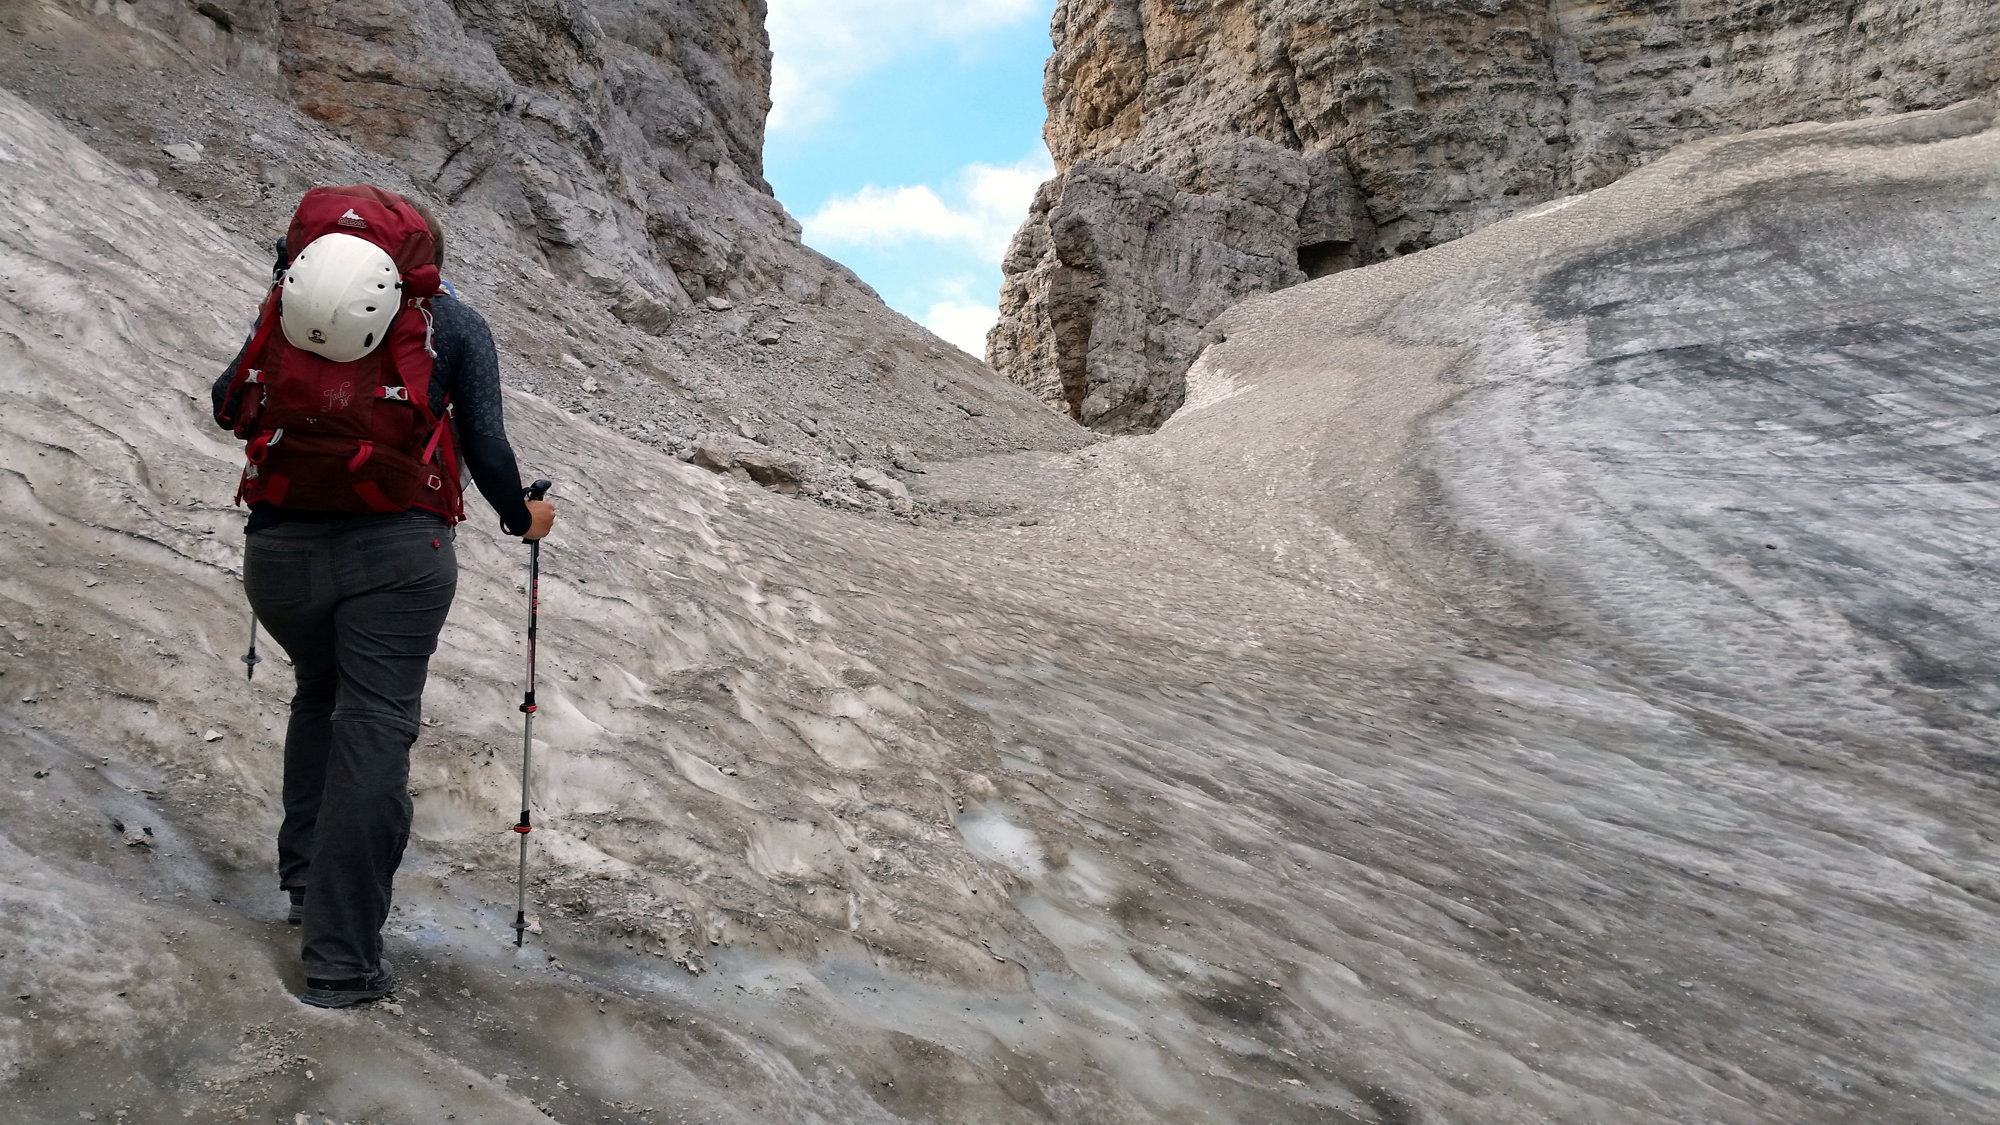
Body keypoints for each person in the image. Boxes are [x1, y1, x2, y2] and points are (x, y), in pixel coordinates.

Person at [211, 188, 556, 1008]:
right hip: (398, 557)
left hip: (280, 553)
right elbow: (489, 446)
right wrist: (525, 517)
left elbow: (231, 402)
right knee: (371, 733)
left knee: (317, 695)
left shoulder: (291, 307)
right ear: (424, 259)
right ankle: (340, 962)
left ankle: (304, 884)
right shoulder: (450, 323)